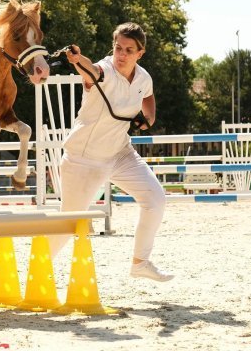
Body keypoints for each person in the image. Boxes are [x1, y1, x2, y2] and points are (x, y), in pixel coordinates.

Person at [49, 22, 173, 282]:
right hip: (84, 158)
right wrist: (76, 59)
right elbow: (90, 70)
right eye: (118, 48)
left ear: (140, 53)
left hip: (119, 153)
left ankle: (140, 263)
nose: (122, 55)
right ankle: (36, 269)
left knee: (155, 200)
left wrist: (148, 118)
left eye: (129, 50)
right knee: (69, 225)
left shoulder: (143, 77)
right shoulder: (104, 70)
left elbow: (148, 96)